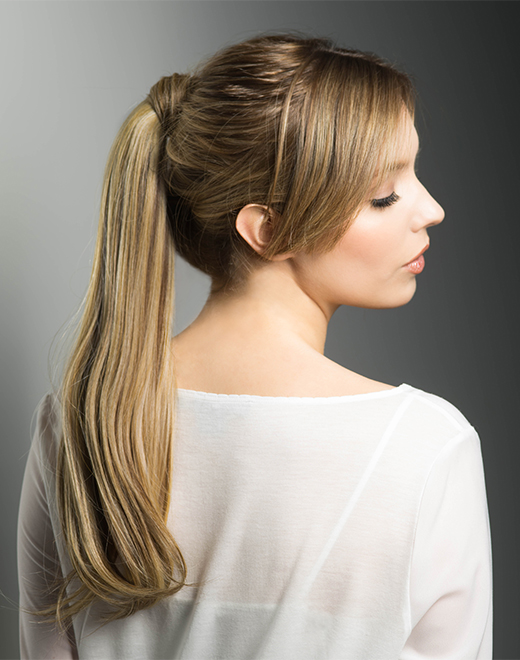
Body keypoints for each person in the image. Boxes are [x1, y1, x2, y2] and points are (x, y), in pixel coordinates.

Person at [17, 33, 492, 659]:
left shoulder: (78, 424)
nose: (431, 209)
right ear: (267, 229)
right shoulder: (427, 447)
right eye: (384, 195)